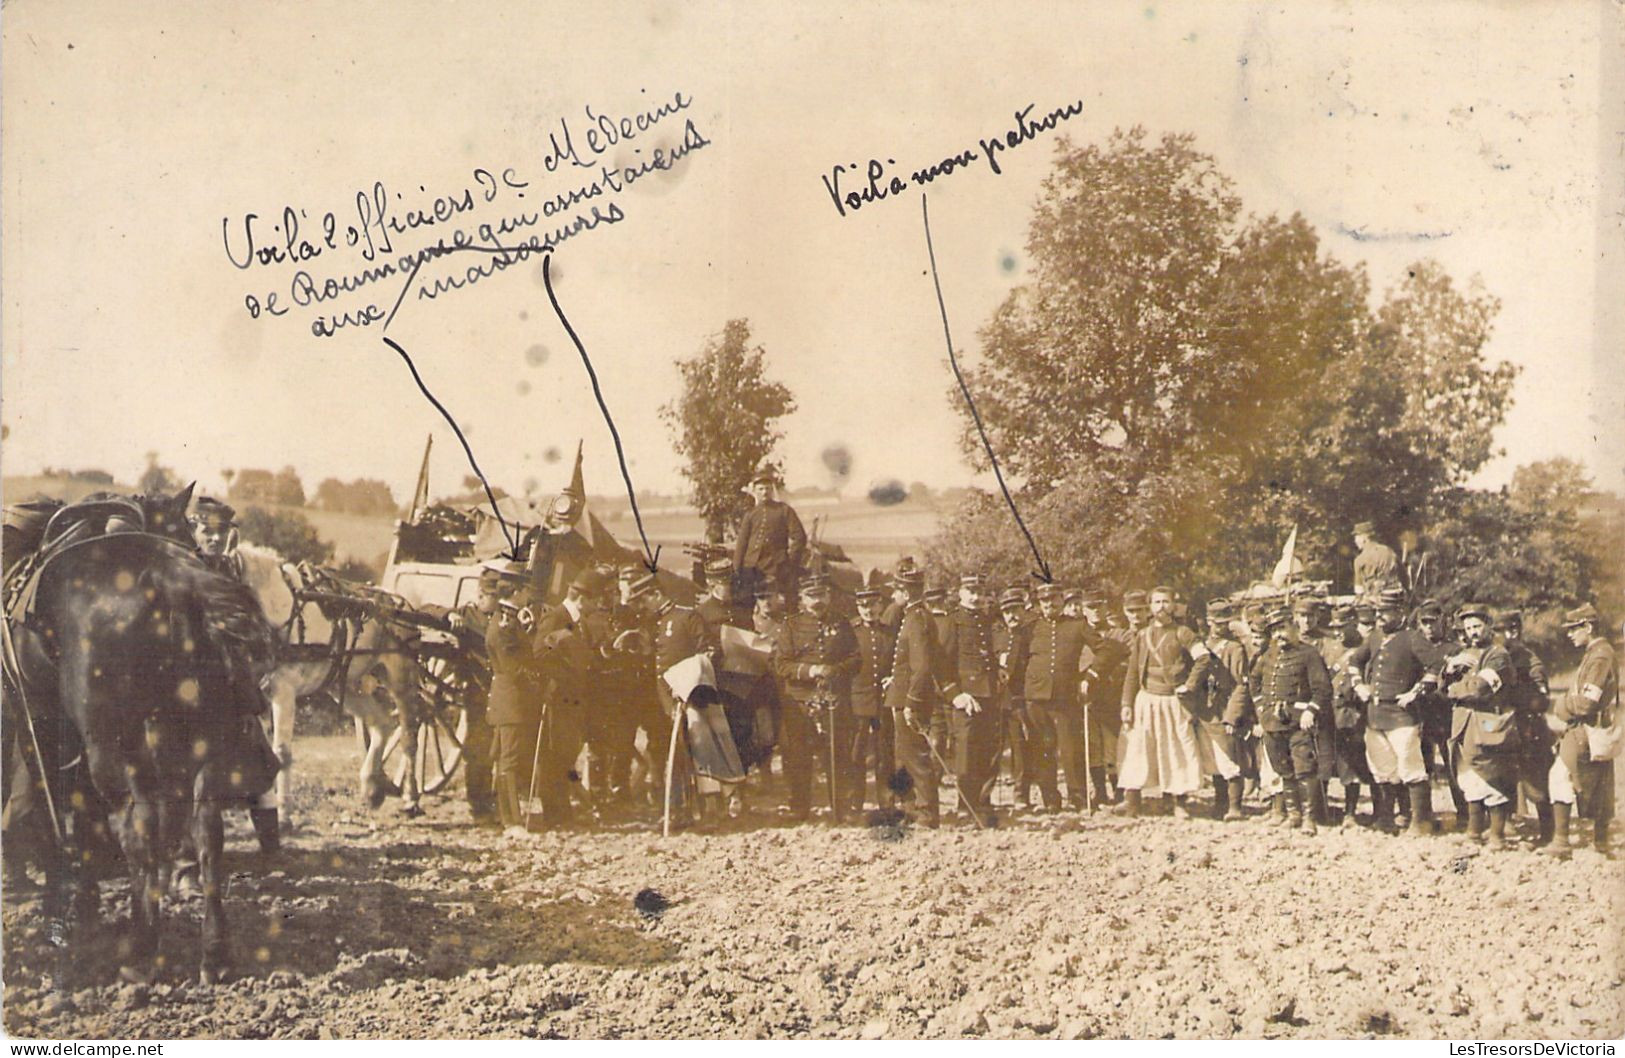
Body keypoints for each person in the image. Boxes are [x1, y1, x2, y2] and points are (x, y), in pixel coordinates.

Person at [1346, 587, 1448, 835]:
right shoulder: (1374, 637)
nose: (1380, 617)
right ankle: (1385, 819)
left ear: (1399, 612)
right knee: (1383, 769)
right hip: (1376, 714)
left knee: (1410, 767)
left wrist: (1416, 692)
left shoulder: (1413, 637)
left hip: (1402, 716)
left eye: (1386, 612)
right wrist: (1359, 685)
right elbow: (1354, 661)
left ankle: (1420, 822)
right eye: (1379, 611)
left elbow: (1437, 664)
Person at [772, 573, 860, 821]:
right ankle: (799, 808)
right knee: (798, 756)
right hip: (800, 701)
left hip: (833, 699)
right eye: (811, 596)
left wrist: (835, 671)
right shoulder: (791, 625)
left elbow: (856, 659)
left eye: (821, 595)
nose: (817, 601)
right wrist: (810, 671)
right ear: (802, 598)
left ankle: (841, 808)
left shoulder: (843, 624)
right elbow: (782, 665)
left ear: (829, 595)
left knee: (838, 753)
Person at [1118, 587, 1211, 819]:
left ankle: (1178, 802)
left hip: (1173, 701)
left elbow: (1203, 658)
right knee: (1138, 750)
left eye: (1165, 601)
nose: (1161, 606)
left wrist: (1189, 686)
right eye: (1156, 602)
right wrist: (1126, 704)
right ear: (1150, 607)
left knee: (1175, 749)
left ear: (1173, 605)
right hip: (1146, 700)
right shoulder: (1142, 636)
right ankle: (1132, 802)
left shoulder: (1183, 633)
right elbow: (1132, 671)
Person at [1249, 607, 1334, 833]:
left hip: (1298, 722)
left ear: (1294, 627)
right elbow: (1254, 681)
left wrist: (1310, 711)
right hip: (1272, 723)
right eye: (1275, 630)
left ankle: (1309, 818)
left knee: (1304, 768)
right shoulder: (1268, 655)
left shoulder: (1309, 654)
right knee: (1283, 768)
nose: (1279, 635)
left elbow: (1323, 689)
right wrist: (1261, 708)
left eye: (1283, 628)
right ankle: (1293, 814)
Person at [1442, 604, 1520, 849]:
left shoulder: (1498, 655)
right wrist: (1450, 669)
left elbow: (1479, 688)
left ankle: (1497, 835)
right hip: (1463, 725)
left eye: (1477, 626)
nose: (1473, 632)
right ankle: (1474, 832)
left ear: (1488, 626)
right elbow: (1441, 688)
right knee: (1469, 779)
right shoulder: (1462, 654)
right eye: (1468, 628)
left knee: (1492, 778)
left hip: (1488, 724)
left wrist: (1454, 690)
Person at [1545, 604, 1617, 859]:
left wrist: (1561, 706)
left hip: (1588, 728)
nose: (1570, 634)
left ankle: (1562, 840)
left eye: (1574, 628)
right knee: (1599, 781)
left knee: (1561, 774)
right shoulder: (1595, 652)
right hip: (1591, 728)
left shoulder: (1600, 656)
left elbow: (1586, 702)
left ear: (1588, 626)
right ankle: (1600, 841)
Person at [1019, 584, 1096, 813]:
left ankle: (1078, 796)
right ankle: (1050, 799)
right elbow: (1018, 659)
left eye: (1053, 600)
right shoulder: (1030, 628)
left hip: (1065, 697)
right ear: (1039, 604)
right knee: (1043, 749)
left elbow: (1107, 650)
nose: (1049, 605)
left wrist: (1090, 675)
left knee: (1070, 749)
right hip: (1036, 697)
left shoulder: (1077, 626)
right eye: (1044, 602)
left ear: (1062, 601)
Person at [937, 574, 1001, 823]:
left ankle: (983, 804)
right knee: (965, 752)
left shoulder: (986, 620)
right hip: (966, 698)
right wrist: (956, 694)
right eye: (970, 591)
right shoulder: (953, 622)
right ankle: (965, 807)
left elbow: (987, 657)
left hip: (988, 695)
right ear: (960, 593)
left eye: (979, 591)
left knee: (988, 751)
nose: (975, 597)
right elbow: (942, 665)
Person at [885, 558, 942, 827]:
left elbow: (922, 667)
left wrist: (911, 702)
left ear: (906, 593)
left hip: (911, 698)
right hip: (901, 695)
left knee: (917, 757)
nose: (893, 595)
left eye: (895, 590)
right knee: (905, 756)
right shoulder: (912, 617)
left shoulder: (917, 620)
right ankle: (911, 809)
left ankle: (927, 813)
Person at [1496, 609, 1555, 845]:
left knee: (1536, 781)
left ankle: (1548, 832)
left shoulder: (1529, 660)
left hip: (1528, 726)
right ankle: (1507, 823)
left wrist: (1517, 697)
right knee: (1505, 775)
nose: (1498, 636)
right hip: (1506, 725)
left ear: (1514, 631)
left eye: (1501, 632)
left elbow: (1541, 699)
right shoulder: (1497, 655)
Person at [1191, 599, 1249, 821]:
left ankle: (1235, 807)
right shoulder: (1202, 646)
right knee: (1213, 760)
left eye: (1226, 623)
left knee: (1230, 759)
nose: (1222, 628)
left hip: (1225, 708)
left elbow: (1241, 684)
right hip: (1206, 709)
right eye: (1217, 624)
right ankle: (1220, 802)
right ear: (1208, 622)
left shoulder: (1234, 648)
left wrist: (1232, 716)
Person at [1325, 605, 1374, 827]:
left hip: (1357, 712)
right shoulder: (1329, 648)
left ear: (1354, 623)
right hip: (1333, 712)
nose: (1338, 632)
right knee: (1340, 762)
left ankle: (1373, 811)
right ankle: (1342, 811)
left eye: (1342, 627)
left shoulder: (1367, 648)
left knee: (1363, 763)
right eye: (1334, 628)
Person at [850, 583, 897, 811]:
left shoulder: (890, 632)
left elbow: (899, 661)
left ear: (881, 605)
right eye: (863, 605)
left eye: (873, 605)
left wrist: (894, 678)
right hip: (858, 700)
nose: (868, 610)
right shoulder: (851, 632)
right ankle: (855, 801)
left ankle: (886, 800)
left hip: (883, 701)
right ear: (858, 607)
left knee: (884, 752)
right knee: (856, 753)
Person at [732, 466, 808, 607]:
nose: (764, 492)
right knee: (746, 603)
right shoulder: (750, 514)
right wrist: (737, 569)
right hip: (752, 567)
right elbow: (741, 544)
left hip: (777, 566)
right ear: (755, 491)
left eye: (767, 488)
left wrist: (790, 561)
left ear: (772, 490)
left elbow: (799, 537)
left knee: (783, 602)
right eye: (760, 489)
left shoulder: (784, 510)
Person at [995, 587, 1035, 811]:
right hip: (997, 702)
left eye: (1016, 610)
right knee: (993, 749)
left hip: (1020, 701)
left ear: (1023, 610)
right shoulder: (997, 636)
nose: (1012, 615)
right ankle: (987, 797)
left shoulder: (1030, 636)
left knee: (1021, 750)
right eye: (1007, 611)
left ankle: (1021, 795)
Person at [1352, 521, 1399, 596]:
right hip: (1395, 599)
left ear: (1364, 538)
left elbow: (1359, 591)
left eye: (1356, 537)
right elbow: (1404, 578)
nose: (1355, 541)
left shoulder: (1359, 560)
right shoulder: (1389, 551)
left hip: (1375, 602)